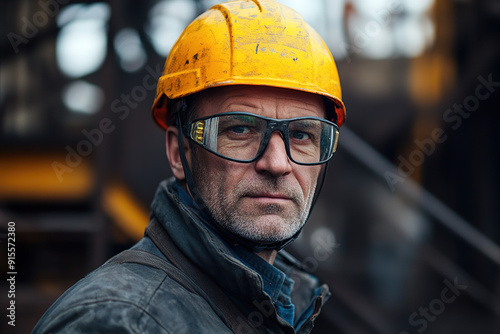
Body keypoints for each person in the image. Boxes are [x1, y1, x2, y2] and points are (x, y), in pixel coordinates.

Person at [33, 0, 346, 333]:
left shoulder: (281, 303)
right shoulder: (119, 323)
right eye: (239, 129)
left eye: (301, 134)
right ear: (178, 151)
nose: (277, 163)